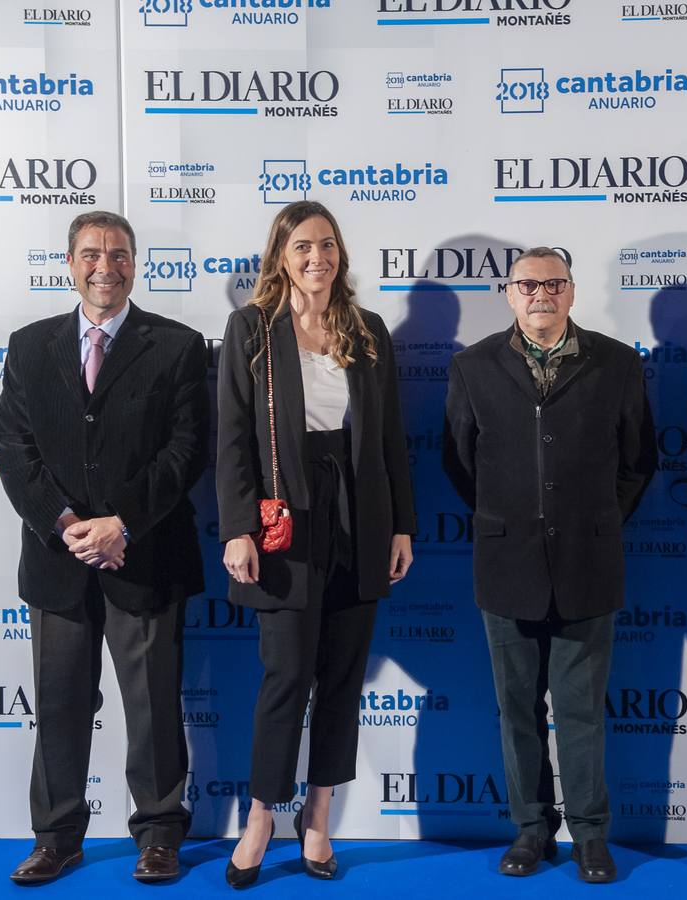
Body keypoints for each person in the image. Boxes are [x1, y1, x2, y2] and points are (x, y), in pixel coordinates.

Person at [0, 211, 208, 885]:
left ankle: (160, 833)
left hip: (143, 559)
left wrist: (124, 523)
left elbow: (187, 451)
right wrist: (62, 522)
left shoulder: (177, 346)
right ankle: (57, 837)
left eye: (118, 254)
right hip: (58, 565)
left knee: (152, 706)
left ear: (135, 264)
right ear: (70, 262)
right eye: (91, 254)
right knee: (57, 705)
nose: (104, 266)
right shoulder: (29, 347)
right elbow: (12, 447)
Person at [215, 200, 416, 887]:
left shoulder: (368, 330)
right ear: (281, 255)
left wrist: (401, 524)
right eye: (302, 246)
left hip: (359, 516)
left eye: (327, 245)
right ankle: (262, 816)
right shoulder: (251, 329)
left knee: (340, 678)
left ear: (341, 253)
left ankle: (320, 817)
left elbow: (390, 438)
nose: (317, 257)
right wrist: (238, 526)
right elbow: (233, 438)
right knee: (285, 676)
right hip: (285, 521)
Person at [442, 247, 656, 884]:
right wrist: (510, 519)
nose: (542, 294)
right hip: (505, 565)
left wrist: (600, 519)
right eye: (528, 284)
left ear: (571, 291)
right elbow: (460, 464)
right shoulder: (472, 367)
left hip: (588, 563)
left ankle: (591, 834)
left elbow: (638, 460)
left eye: (554, 283)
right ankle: (531, 829)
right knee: (516, 710)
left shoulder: (617, 363)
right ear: (510, 294)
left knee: (583, 710)